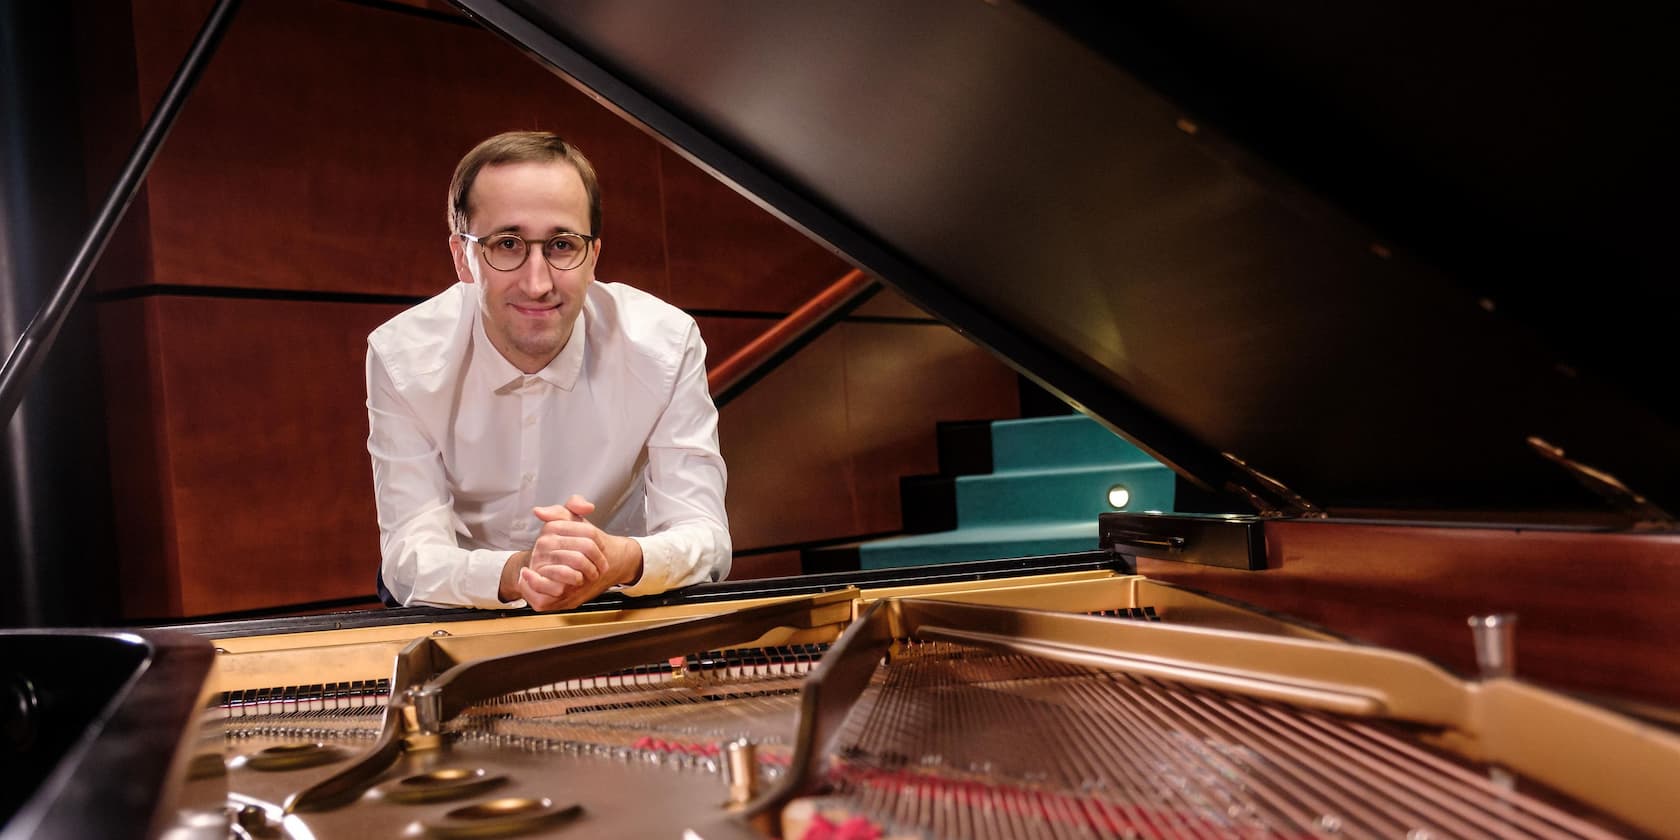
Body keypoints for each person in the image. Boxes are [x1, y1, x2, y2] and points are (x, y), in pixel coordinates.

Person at [365, 131, 730, 611]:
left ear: (593, 257)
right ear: (463, 257)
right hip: (460, 608)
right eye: (508, 243)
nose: (537, 284)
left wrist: (621, 558)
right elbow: (410, 554)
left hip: (611, 606)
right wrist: (518, 571)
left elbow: (704, 535)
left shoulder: (664, 344)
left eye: (561, 245)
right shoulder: (402, 355)